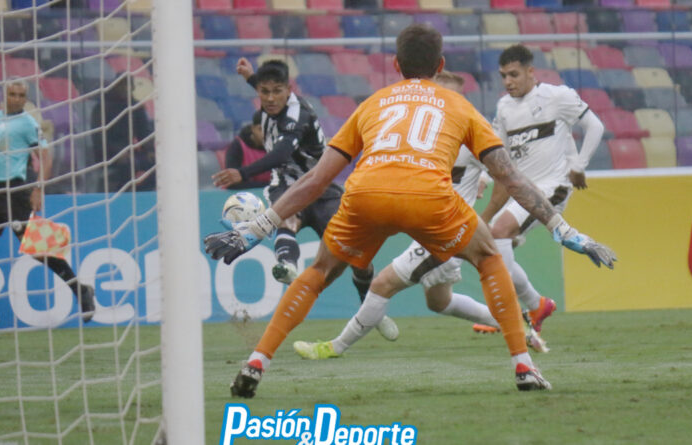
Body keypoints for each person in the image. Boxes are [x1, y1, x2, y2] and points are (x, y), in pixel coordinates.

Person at [205, 24, 615, 397]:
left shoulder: (372, 103)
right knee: (489, 257)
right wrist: (565, 229)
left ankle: (257, 362)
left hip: (365, 193)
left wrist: (253, 231)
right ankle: (524, 366)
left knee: (317, 273)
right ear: (439, 66)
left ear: (396, 65)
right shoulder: (459, 106)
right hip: (430, 198)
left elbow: (313, 180)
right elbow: (511, 178)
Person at [292, 71, 549, 362]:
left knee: (381, 284)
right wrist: (478, 183)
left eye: (452, 95)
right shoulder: (429, 131)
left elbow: (504, 175)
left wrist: (485, 220)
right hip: (430, 224)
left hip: (447, 231)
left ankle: (334, 347)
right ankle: (521, 330)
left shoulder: (468, 130)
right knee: (439, 302)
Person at [211, 59, 398, 340]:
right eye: (264, 91)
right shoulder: (270, 100)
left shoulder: (298, 116)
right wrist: (250, 76)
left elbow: (282, 153)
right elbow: (267, 91)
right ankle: (287, 264)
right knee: (286, 215)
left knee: (358, 253)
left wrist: (243, 172)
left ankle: (371, 310)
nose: (270, 98)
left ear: (289, 90)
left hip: (320, 186)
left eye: (277, 91)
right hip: (287, 184)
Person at [0, 78, 96, 332]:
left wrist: (38, 188)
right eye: (12, 94)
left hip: (15, 193)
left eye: (21, 95)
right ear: (5, 94)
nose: (16, 98)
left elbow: (45, 157)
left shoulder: (27, 124)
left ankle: (81, 290)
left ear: (25, 98)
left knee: (37, 250)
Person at [474, 44, 606, 334]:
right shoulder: (504, 107)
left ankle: (507, 312)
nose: (508, 81)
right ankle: (536, 304)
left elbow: (595, 126)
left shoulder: (557, 96)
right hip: (522, 191)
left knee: (498, 232)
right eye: (503, 76)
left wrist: (579, 164)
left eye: (514, 74)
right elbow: (500, 151)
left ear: (530, 72)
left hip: (552, 187)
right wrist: (484, 177)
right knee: (492, 242)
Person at [91, 75, 155, 192]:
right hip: (107, 153)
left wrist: (150, 150)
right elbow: (98, 138)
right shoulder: (102, 106)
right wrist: (118, 152)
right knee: (128, 165)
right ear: (115, 86)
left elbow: (144, 132)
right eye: (123, 85)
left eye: (128, 86)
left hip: (129, 151)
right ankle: (123, 195)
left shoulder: (135, 106)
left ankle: (145, 194)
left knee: (153, 163)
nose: (126, 89)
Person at [222, 110, 270, 190]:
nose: (264, 134)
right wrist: (270, 186)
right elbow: (232, 184)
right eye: (260, 129)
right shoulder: (237, 147)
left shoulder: (278, 147)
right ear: (253, 128)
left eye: (269, 130)